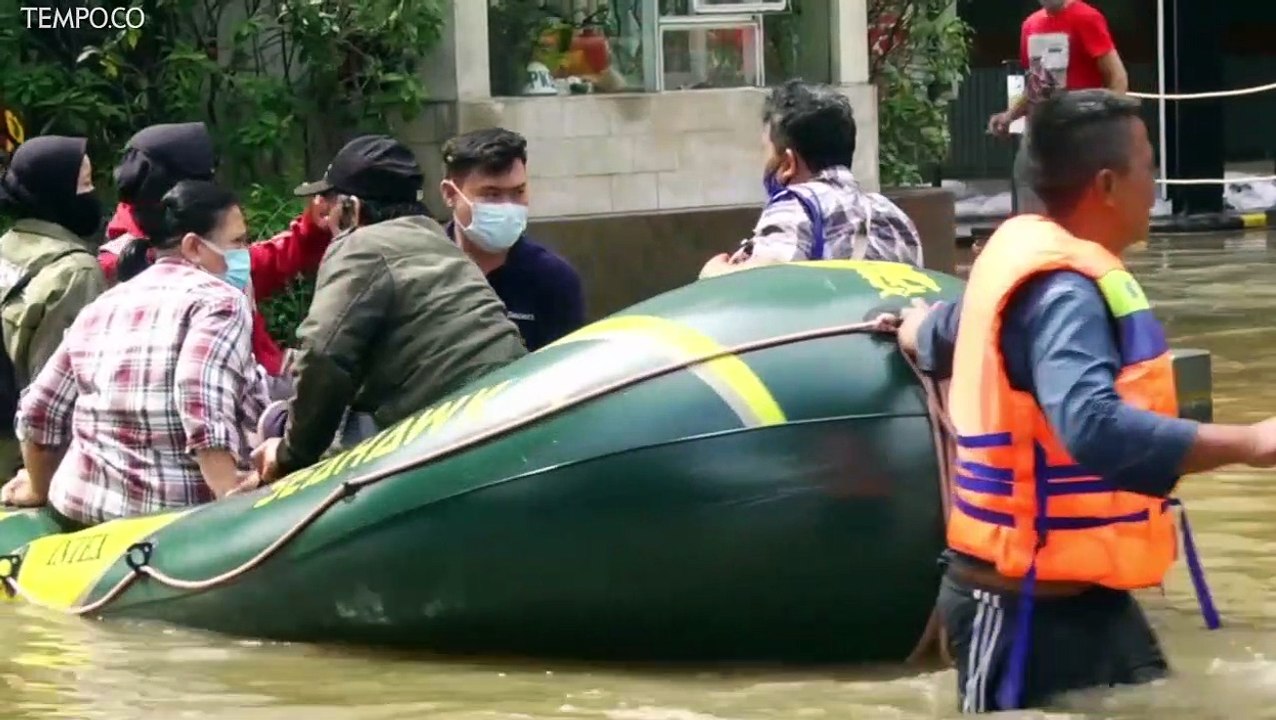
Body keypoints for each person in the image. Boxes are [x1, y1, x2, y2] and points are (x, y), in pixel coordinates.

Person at [895, 89, 1276, 713]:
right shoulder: (1065, 293)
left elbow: (948, 332)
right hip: (1019, 611)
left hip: (1086, 598)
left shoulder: (1026, 257)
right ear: (1105, 184)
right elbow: (1091, 427)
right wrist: (1253, 442)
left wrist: (914, 329)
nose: (1155, 186)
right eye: (1149, 167)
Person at [251, 135, 527, 484]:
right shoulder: (439, 242)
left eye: (331, 206)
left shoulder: (360, 245)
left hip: (449, 426)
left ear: (351, 208)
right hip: (510, 403)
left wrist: (290, 457)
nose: (327, 219)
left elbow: (322, 356)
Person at [0, 180, 267, 524]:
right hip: (175, 517)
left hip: (86, 511)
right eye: (237, 242)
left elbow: (39, 410)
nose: (245, 251)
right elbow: (199, 396)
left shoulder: (106, 303)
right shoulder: (220, 301)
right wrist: (231, 496)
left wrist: (37, 489)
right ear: (194, 247)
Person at [100, 122, 334, 394]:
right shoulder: (120, 268)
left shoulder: (210, 249)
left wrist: (313, 229)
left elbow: (260, 262)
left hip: (257, 385)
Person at [699, 79, 922, 279]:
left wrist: (715, 273)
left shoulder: (795, 204)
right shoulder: (894, 216)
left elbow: (761, 284)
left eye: (765, 151)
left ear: (788, 163)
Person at [0, 135, 109, 478]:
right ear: (56, 193)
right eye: (86, 184)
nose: (92, 195)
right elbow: (60, 402)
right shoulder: (75, 273)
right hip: (28, 467)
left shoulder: (6, 246)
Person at [439, 128, 585, 351]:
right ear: (451, 194)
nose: (507, 206)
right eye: (491, 194)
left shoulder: (553, 280)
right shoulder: (422, 269)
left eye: (518, 192)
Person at [989, 0, 1129, 214]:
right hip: (1043, 133)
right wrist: (1009, 116)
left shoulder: (1086, 17)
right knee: (1036, 200)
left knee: (1084, 204)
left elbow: (1117, 76)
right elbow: (1038, 85)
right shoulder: (1030, 25)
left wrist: (1109, 126)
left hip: (1083, 132)